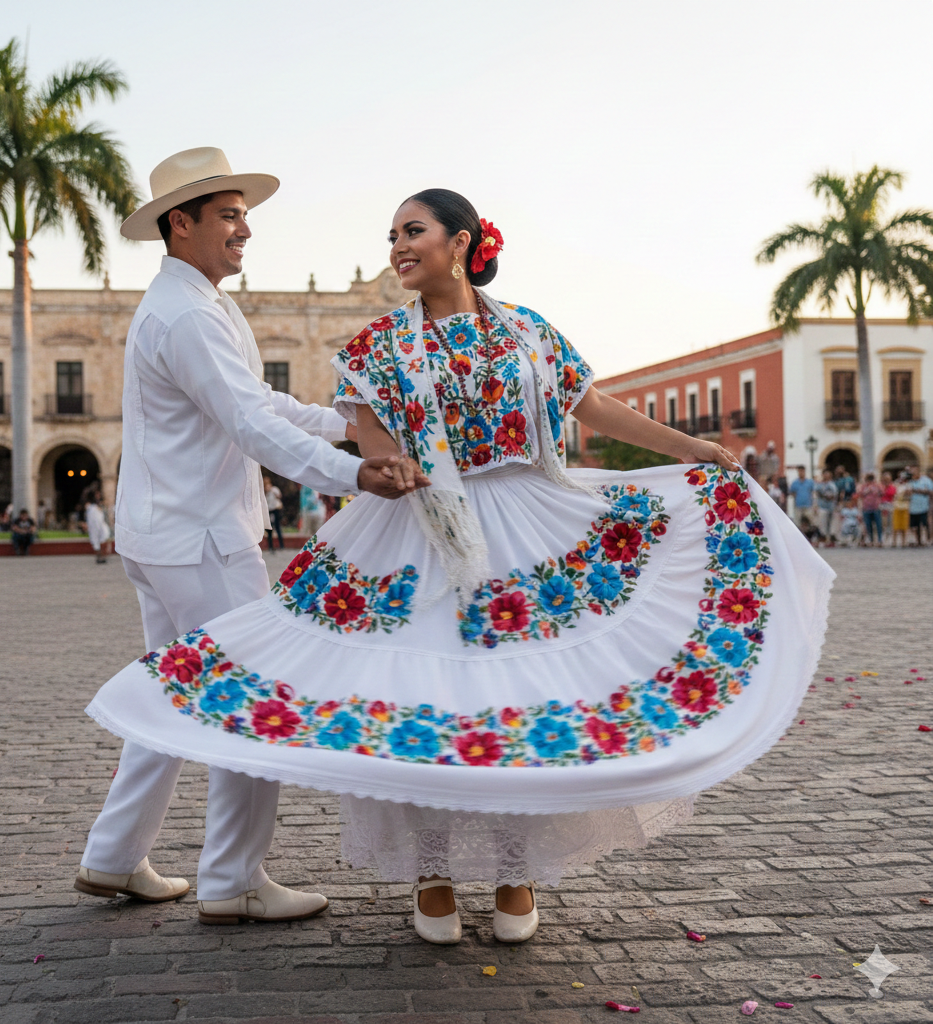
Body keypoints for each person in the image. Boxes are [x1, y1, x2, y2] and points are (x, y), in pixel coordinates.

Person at [86, 187, 833, 945]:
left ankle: (517, 871)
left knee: (524, 694)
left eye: (414, 231)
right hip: (421, 534)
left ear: (463, 241)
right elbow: (354, 433)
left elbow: (591, 405)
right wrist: (363, 470)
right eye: (392, 234)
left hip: (530, 533)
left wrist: (689, 448)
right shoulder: (376, 345)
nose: (399, 246)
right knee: (425, 696)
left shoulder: (528, 330)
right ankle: (430, 873)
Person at [74, 148, 423, 927]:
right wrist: (355, 473)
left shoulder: (195, 301)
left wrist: (349, 425)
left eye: (243, 215)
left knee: (173, 693)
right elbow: (250, 423)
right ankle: (232, 879)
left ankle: (112, 857)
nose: (244, 230)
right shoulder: (191, 313)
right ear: (181, 223)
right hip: (201, 542)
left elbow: (260, 399)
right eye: (229, 216)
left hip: (165, 535)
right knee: (251, 699)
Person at [908, 466, 933, 547]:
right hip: (913, 507)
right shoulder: (910, 481)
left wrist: (921, 491)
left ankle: (928, 540)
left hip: (924, 506)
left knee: (926, 524)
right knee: (916, 525)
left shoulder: (926, 481)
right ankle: (919, 541)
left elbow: (931, 492)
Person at [787, 466, 816, 535]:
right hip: (798, 505)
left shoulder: (809, 482)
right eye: (799, 471)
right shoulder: (795, 483)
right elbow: (792, 492)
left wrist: (814, 504)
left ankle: (810, 535)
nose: (801, 473)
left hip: (808, 504)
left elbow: (813, 492)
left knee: (810, 521)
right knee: (798, 523)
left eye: (802, 471)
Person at [85, 491, 111, 564]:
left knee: (104, 538)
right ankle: (98, 556)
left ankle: (103, 556)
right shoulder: (90, 505)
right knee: (95, 540)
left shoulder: (102, 504)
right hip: (93, 525)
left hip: (102, 524)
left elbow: (105, 515)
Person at [858, 472, 883, 547]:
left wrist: (876, 491)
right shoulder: (864, 486)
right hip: (866, 507)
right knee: (868, 525)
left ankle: (879, 540)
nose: (870, 481)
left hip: (876, 507)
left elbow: (882, 492)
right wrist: (867, 490)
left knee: (878, 524)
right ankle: (871, 540)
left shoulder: (877, 485)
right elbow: (860, 494)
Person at [815, 469, 839, 547]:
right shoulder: (820, 485)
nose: (826, 476)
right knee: (823, 524)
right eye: (825, 474)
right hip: (822, 506)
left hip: (831, 506)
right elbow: (817, 493)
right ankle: (824, 539)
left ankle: (830, 539)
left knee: (830, 524)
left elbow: (833, 495)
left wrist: (826, 496)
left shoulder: (832, 485)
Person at [263, 475, 284, 551]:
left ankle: (281, 545)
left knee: (277, 527)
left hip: (276, 509)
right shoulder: (264, 493)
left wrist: (271, 491)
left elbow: (279, 496)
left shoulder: (274, 489)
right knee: (269, 528)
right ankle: (270, 546)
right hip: (269, 510)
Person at [891, 474, 911, 548]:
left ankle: (903, 542)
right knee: (895, 526)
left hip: (905, 507)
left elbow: (909, 495)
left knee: (904, 526)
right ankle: (894, 542)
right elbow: (893, 494)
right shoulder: (896, 485)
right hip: (897, 506)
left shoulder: (908, 486)